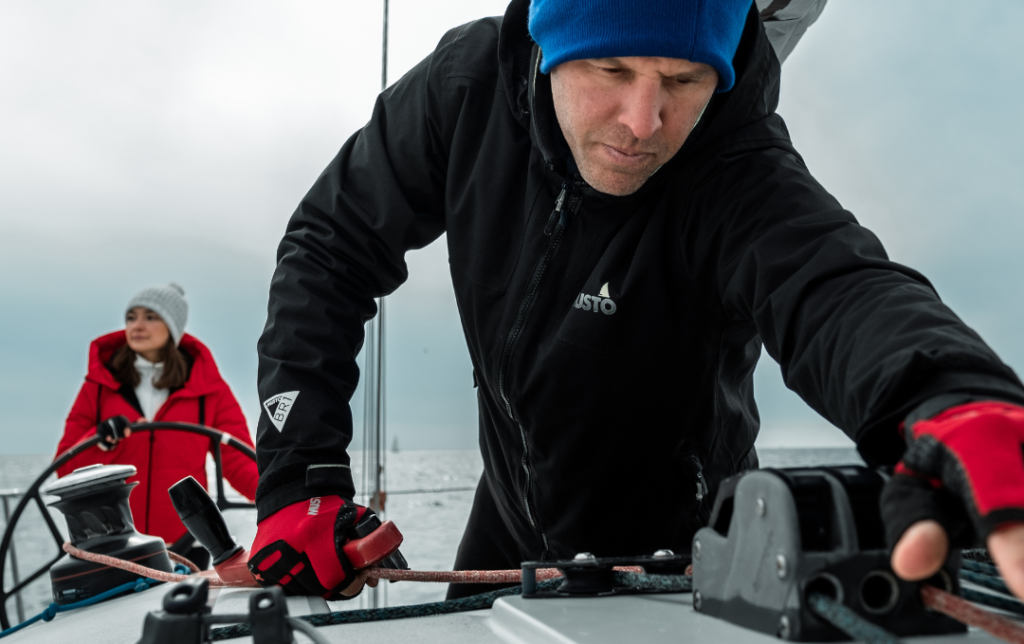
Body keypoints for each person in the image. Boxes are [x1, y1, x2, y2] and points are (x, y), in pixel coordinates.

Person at [248, 0, 1024, 602]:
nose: (643, 122)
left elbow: (833, 286)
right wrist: (301, 475)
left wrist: (953, 399)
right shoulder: (467, 88)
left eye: (684, 80)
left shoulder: (734, 164)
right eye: (612, 69)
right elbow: (331, 245)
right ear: (549, 46)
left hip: (675, 552)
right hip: (507, 516)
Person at [57, 283, 258, 566]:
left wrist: (280, 499)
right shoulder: (98, 387)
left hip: (188, 544)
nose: (137, 325)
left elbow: (239, 462)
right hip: (116, 547)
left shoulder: (209, 390)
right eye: (131, 317)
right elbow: (65, 467)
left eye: (150, 317)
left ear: (173, 327)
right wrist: (100, 439)